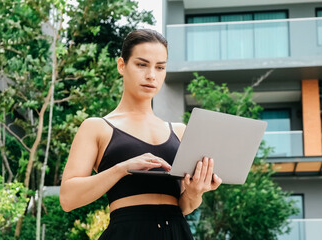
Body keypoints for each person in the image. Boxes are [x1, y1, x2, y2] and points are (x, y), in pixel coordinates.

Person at [60, 29, 222, 239]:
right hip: (128, 232)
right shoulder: (97, 127)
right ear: (122, 65)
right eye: (142, 64)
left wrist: (195, 191)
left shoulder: (180, 131)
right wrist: (122, 168)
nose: (151, 75)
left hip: (177, 232)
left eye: (160, 67)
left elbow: (185, 206)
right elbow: (68, 198)